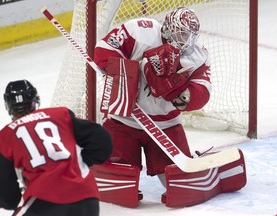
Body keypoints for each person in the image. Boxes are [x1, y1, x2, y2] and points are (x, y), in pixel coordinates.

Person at [93, 7, 246, 208]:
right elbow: (105, 48)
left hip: (165, 124)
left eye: (189, 35)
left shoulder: (198, 56)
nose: (185, 40)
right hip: (124, 119)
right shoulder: (140, 30)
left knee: (176, 178)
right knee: (120, 168)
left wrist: (186, 96)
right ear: (169, 27)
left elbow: (203, 87)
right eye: (181, 33)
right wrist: (119, 69)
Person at [0, 79, 113, 215]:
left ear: (8, 106)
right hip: (86, 198)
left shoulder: (1, 139)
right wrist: (78, 164)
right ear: (35, 100)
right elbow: (103, 142)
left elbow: (10, 199)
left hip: (44, 202)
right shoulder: (60, 115)